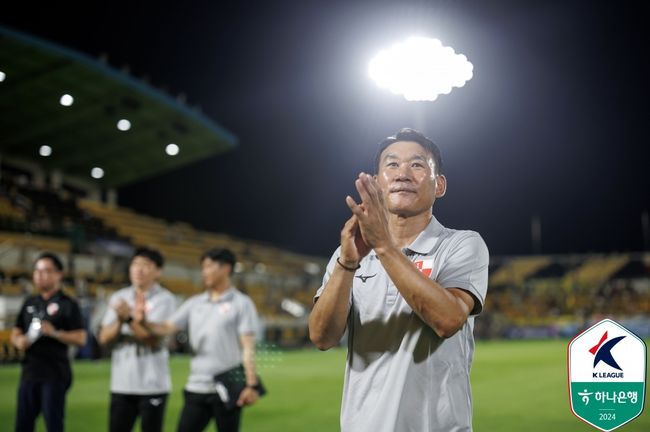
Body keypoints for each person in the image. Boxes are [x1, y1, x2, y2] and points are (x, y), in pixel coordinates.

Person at [308, 128, 489, 432]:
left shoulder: (462, 244)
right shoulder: (346, 254)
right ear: (378, 183)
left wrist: (384, 247)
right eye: (391, 165)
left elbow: (448, 320)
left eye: (417, 165)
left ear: (440, 185)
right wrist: (347, 264)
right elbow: (322, 337)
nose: (403, 173)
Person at [143, 248, 262, 432]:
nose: (203, 272)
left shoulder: (241, 303)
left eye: (208, 266)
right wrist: (141, 320)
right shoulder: (194, 303)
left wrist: (252, 385)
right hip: (196, 386)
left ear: (226, 268)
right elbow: (165, 327)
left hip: (228, 387)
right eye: (203, 267)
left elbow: (248, 347)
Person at [98, 247, 176, 432]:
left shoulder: (165, 300)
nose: (138, 269)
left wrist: (129, 319)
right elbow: (103, 338)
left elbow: (153, 340)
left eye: (146, 265)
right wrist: (119, 320)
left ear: (158, 271)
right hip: (121, 384)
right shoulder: (119, 297)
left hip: (153, 385)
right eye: (135, 264)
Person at [10, 252, 87, 432]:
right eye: (37, 270)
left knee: (53, 425)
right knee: (22, 425)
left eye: (46, 271)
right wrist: (18, 340)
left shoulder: (68, 304)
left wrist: (55, 333)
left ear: (59, 274)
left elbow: (81, 338)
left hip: (54, 373)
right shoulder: (30, 302)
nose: (39, 275)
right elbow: (17, 330)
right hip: (29, 372)